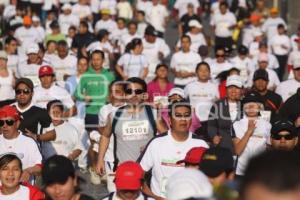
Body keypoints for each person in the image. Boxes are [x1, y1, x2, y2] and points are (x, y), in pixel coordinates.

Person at [138, 100, 208, 199]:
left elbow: (210, 178)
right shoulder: (156, 143)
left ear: (191, 120)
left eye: (187, 115)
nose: (183, 119)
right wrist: (154, 197)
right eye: (178, 116)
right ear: (170, 120)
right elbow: (139, 174)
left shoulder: (201, 144)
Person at [97, 77, 167, 175]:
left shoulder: (154, 114)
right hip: (123, 170)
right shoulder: (113, 115)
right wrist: (100, 160)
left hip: (148, 171)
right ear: (125, 95)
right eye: (129, 91)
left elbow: (167, 137)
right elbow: (105, 136)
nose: (134, 95)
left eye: (138, 91)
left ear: (144, 95)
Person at [232, 92, 271, 177]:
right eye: (248, 104)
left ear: (260, 107)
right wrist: (248, 132)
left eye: (254, 104)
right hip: (240, 171)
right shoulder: (236, 125)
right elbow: (238, 151)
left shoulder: (267, 125)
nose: (251, 107)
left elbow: (268, 148)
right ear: (244, 107)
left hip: (260, 171)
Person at [0, 105, 42, 182]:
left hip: (24, 190)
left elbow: (40, 167)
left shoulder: (29, 142)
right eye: (1, 123)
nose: (4, 126)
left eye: (9, 122)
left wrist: (29, 171)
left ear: (17, 123)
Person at [208, 74, 243, 153]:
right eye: (230, 87)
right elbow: (211, 125)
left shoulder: (246, 105)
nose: (233, 90)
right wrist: (214, 136)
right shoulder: (217, 105)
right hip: (222, 146)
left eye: (237, 88)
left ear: (241, 90)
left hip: (242, 147)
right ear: (226, 89)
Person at [184, 62, 219, 137]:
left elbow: (218, 103)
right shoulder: (189, 86)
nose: (203, 72)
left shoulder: (214, 87)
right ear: (196, 72)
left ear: (209, 73)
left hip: (210, 121)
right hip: (193, 122)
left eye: (206, 70)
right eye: (201, 70)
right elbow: (182, 101)